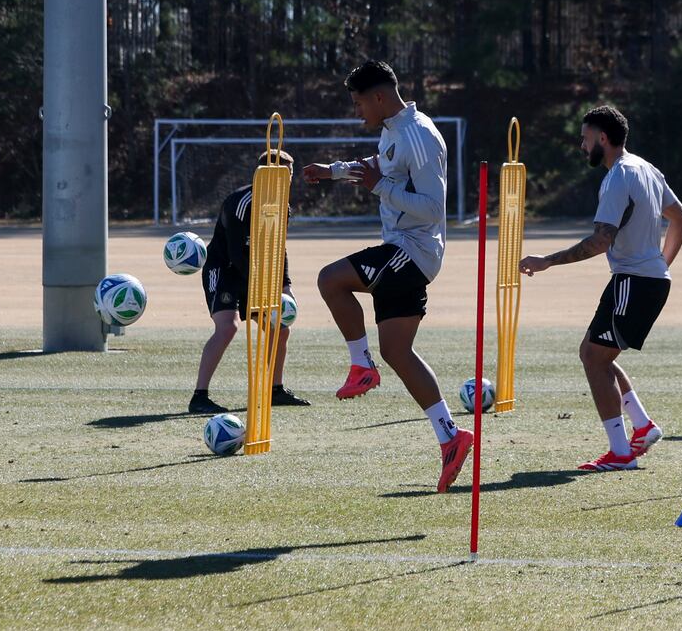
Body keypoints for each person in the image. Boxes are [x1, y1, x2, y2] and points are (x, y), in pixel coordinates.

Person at [303, 60, 472, 493]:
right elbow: (379, 163)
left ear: (379, 97)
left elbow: (434, 208)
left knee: (330, 280)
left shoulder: (418, 135)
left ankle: (361, 367)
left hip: (411, 252)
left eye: (359, 103)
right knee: (398, 352)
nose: (357, 112)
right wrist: (334, 171)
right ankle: (451, 437)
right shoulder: (395, 129)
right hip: (407, 251)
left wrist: (378, 187)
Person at [519, 105, 682, 472]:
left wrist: (548, 260)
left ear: (602, 138)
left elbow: (601, 241)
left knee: (596, 358)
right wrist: (661, 264)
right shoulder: (647, 168)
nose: (582, 146)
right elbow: (681, 218)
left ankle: (621, 452)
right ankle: (642, 427)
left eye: (584, 138)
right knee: (594, 353)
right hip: (645, 279)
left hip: (634, 280)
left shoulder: (617, 178)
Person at [189, 150, 308, 415]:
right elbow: (234, 253)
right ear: (265, 175)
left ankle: (275, 390)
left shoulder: (282, 206)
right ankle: (199, 396)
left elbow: (279, 247)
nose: (289, 181)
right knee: (227, 327)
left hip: (256, 273)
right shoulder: (240, 203)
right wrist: (261, 282)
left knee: (280, 328)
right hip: (226, 270)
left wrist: (285, 287)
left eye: (290, 175)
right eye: (285, 175)